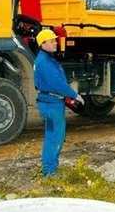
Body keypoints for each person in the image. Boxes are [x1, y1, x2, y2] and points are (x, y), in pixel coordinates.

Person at [33, 28, 84, 177]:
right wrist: (76, 95)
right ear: (43, 44)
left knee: (52, 136)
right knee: (55, 137)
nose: (55, 43)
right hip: (51, 104)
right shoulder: (45, 62)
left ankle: (50, 168)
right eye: (52, 41)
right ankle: (50, 171)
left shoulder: (44, 59)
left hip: (49, 102)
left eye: (55, 40)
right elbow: (58, 84)